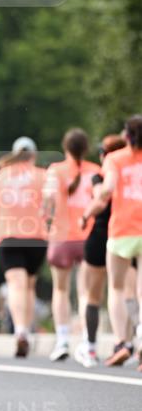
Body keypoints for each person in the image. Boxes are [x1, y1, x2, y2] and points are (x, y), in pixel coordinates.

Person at [82, 115, 142, 369]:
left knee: (117, 288)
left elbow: (107, 190)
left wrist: (90, 210)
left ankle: (122, 343)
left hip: (122, 229)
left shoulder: (114, 159)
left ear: (126, 136)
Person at [0, 137, 48, 358]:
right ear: (34, 155)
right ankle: (27, 330)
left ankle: (19, 331)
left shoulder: (0, 177)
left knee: (15, 285)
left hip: (10, 236)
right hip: (37, 238)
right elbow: (52, 204)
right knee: (29, 286)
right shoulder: (42, 175)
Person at [43, 129, 100, 361]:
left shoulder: (55, 171)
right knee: (86, 292)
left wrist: (47, 220)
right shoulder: (95, 171)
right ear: (86, 148)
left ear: (65, 147)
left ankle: (62, 339)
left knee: (60, 290)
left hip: (62, 236)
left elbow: (47, 201)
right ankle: (88, 340)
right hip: (88, 236)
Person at [74, 134, 127, 366]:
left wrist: (85, 216)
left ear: (104, 155)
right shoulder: (131, 173)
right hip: (128, 233)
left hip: (101, 234)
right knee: (127, 292)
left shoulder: (101, 175)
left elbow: (99, 199)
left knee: (92, 295)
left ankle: (91, 347)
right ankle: (127, 341)